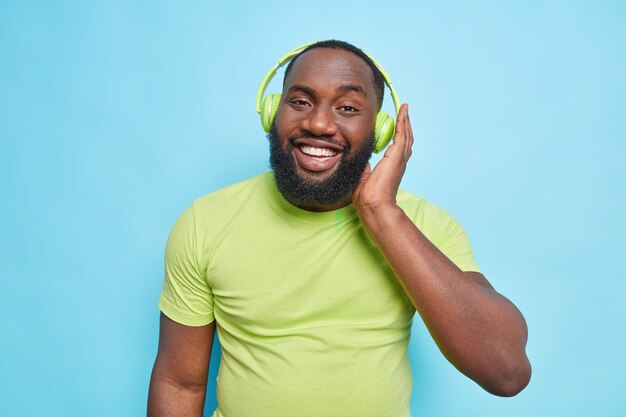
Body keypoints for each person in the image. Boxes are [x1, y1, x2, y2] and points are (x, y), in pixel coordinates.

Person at [147, 40, 531, 417]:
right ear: (271, 112)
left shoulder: (425, 226)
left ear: (381, 132)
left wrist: (382, 215)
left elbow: (506, 371)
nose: (317, 123)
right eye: (300, 102)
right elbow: (179, 383)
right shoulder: (205, 222)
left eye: (347, 107)